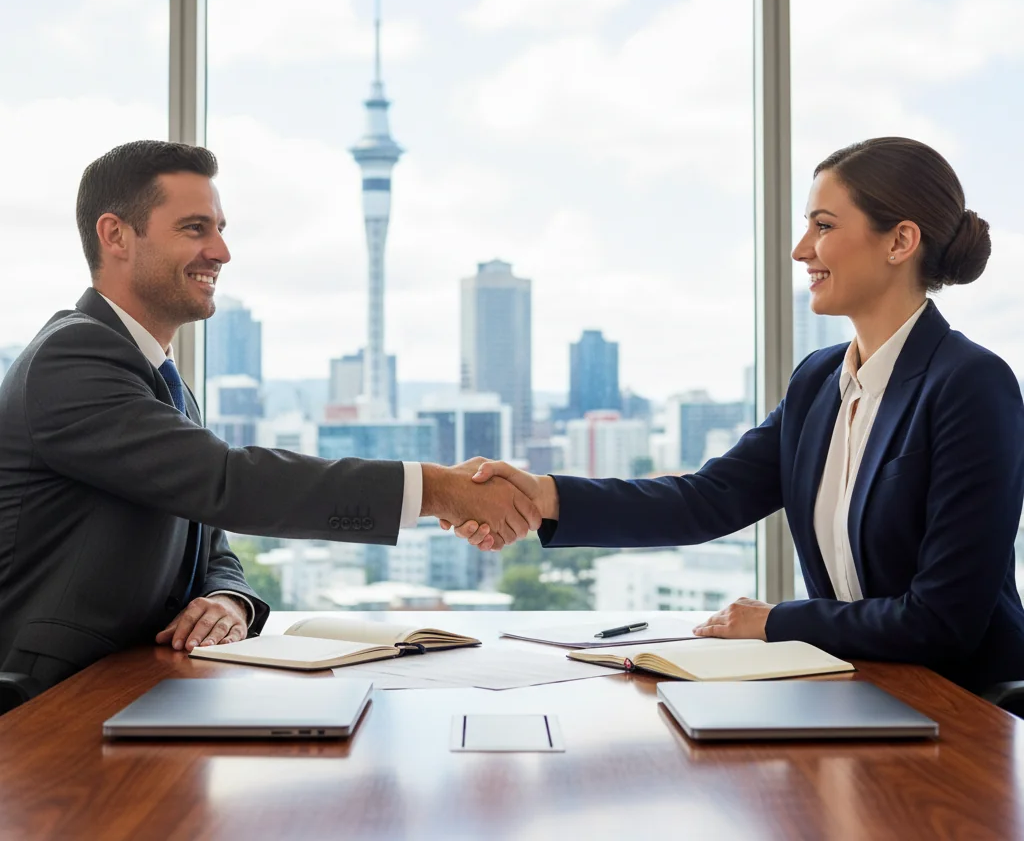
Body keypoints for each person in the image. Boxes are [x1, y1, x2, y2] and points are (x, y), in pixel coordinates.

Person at [457, 137, 1024, 694]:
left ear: (900, 241)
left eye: (824, 226)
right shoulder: (819, 382)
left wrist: (777, 621)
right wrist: (543, 496)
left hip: (965, 706)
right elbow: (707, 499)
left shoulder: (971, 384)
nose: (802, 250)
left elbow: (943, 622)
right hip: (859, 689)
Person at [0, 140, 539, 693]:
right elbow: (228, 483)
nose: (221, 252)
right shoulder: (71, 363)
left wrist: (228, 600)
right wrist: (437, 490)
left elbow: (209, 542)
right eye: (194, 228)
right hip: (49, 703)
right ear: (115, 235)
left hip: (143, 688)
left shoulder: (160, 379)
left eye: (220, 228)